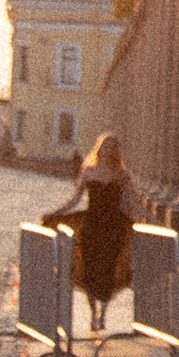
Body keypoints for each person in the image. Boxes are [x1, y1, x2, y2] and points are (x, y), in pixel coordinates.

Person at [44, 132, 134, 336]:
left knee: (108, 270)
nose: (108, 150)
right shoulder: (89, 172)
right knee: (90, 270)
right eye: (105, 146)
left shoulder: (122, 175)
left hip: (114, 228)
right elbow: (75, 200)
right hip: (92, 226)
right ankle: (93, 311)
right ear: (99, 149)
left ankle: (104, 313)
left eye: (112, 147)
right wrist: (56, 213)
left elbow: (133, 203)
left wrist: (153, 220)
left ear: (116, 152)